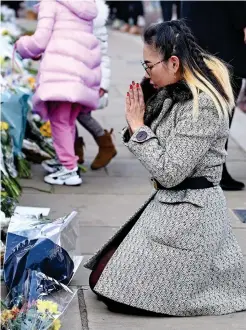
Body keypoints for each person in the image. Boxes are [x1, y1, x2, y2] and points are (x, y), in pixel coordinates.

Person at [84, 20, 246, 316]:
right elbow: (150, 144)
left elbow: (170, 172)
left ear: (173, 62)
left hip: (192, 216)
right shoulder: (175, 91)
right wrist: (145, 109)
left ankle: (210, 283)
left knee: (114, 291)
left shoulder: (204, 104)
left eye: (149, 66)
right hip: (169, 208)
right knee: (101, 279)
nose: (146, 73)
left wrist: (139, 126)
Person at [16, 0, 101, 186]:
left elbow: (40, 40)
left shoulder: (51, 3)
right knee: (68, 121)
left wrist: (21, 45)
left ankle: (68, 168)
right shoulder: (85, 6)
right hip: (80, 72)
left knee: (59, 122)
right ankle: (66, 160)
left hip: (60, 71)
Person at [181, 1, 246, 191]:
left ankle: (197, 166)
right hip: (221, 43)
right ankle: (214, 169)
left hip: (197, 37)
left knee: (201, 105)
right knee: (221, 107)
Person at [75, 0, 117, 170]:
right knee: (65, 114)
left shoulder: (95, 17)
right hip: (68, 71)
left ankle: (105, 144)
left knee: (81, 114)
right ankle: (74, 153)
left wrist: (103, 83)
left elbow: (103, 55)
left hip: (88, 77)